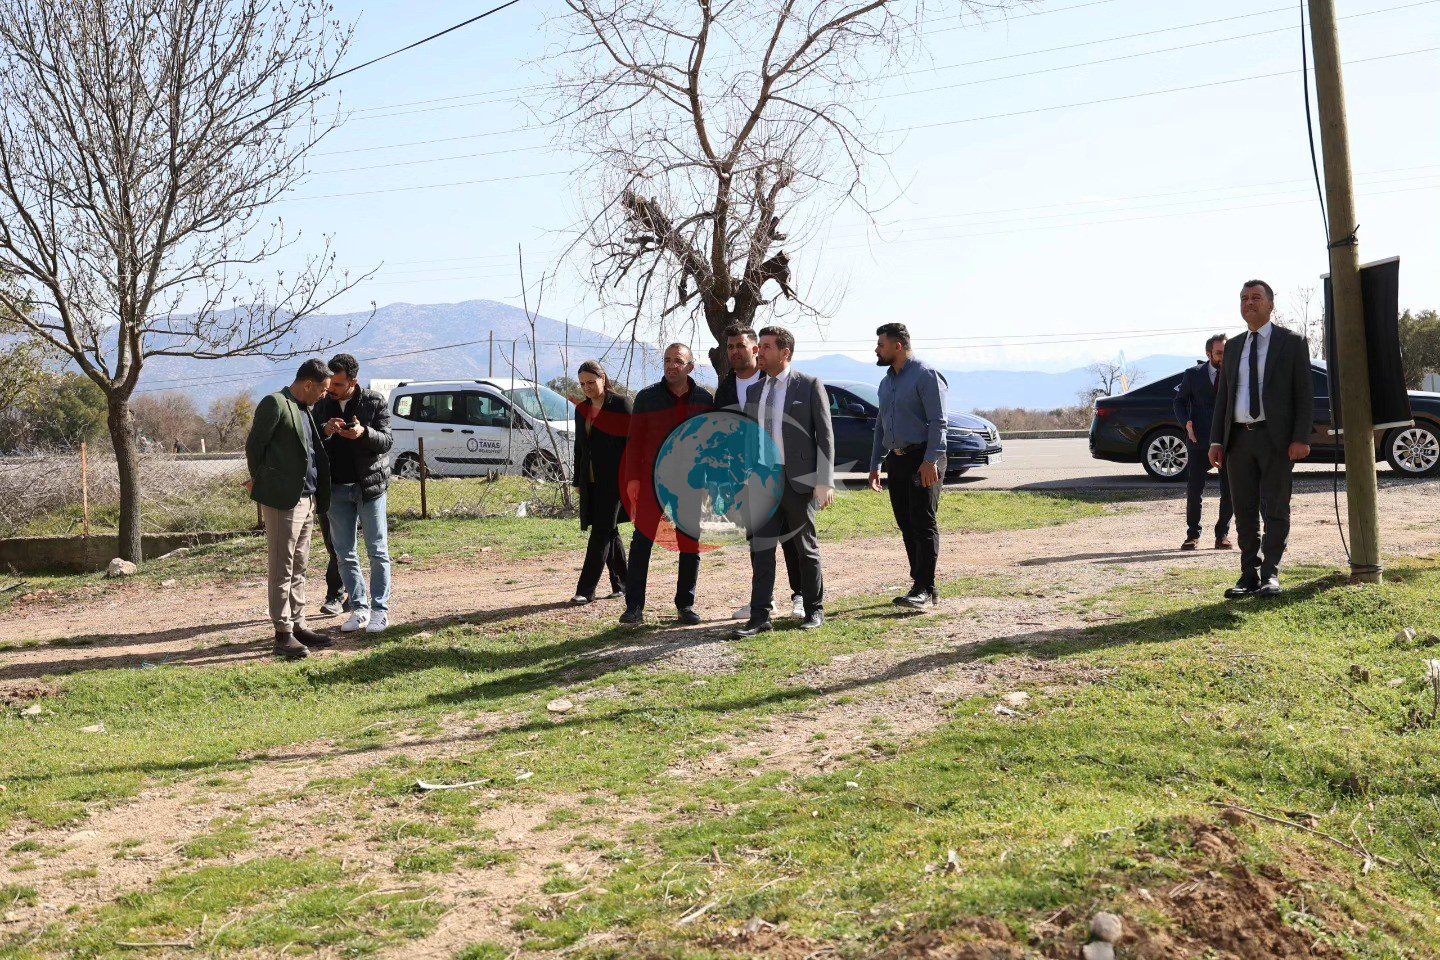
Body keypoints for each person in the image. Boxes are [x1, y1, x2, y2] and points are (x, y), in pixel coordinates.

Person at [1209, 279, 1314, 598]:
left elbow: (1304, 394)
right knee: (1243, 510)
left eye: (1256, 297)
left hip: (1276, 439)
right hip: (1239, 441)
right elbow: (1224, 398)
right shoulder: (1235, 347)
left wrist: (1300, 437)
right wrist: (1217, 440)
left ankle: (1270, 574)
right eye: (1243, 298)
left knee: (1276, 509)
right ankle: (1248, 574)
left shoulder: (1291, 342)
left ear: (1271, 304)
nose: (1249, 303)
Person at [733, 326, 835, 637]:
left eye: (765, 347)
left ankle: (814, 610)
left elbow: (825, 435)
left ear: (784, 353)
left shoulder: (808, 385)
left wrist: (825, 480)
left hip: (799, 481)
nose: (758, 351)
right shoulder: (754, 390)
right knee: (761, 549)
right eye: (759, 346)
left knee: (805, 548)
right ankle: (760, 616)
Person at [713, 323, 807, 621]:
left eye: (740, 345)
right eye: (730, 347)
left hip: (783, 474)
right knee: (758, 541)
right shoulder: (725, 387)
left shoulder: (777, 379)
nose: (734, 352)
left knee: (791, 537)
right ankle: (764, 602)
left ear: (755, 348)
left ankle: (800, 596)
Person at [619, 344, 715, 626]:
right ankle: (634, 607)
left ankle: (685, 605)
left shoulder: (704, 399)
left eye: (678, 361)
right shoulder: (647, 398)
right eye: (667, 360)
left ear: (690, 367)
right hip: (652, 482)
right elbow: (634, 441)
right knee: (642, 544)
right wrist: (633, 479)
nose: (671, 365)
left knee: (690, 544)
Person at [243, 359, 333, 660]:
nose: (324, 395)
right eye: (322, 389)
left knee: (300, 567)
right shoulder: (275, 403)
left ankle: (298, 624)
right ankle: (282, 634)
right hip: (284, 500)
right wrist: (260, 480)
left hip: (307, 499)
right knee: (282, 568)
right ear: (308, 384)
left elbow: (302, 447)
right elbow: (255, 446)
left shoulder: (305, 408)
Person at [868, 322, 948, 609]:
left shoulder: (925, 375)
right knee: (906, 523)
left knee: (922, 522)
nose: (877, 349)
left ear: (897, 346)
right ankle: (921, 584)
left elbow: (939, 421)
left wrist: (930, 461)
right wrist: (876, 463)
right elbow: (880, 426)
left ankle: (925, 588)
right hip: (896, 460)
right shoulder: (886, 382)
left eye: (881, 344)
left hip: (923, 458)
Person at [315, 353, 394, 635]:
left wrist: (363, 433)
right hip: (335, 488)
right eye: (329, 384)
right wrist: (326, 430)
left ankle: (380, 611)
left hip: (369, 488)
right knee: (344, 554)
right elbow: (313, 442)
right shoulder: (321, 403)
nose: (331, 389)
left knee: (377, 550)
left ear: (353, 381)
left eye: (337, 384)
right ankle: (359, 609)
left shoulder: (374, 401)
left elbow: (386, 441)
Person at [571, 359, 631, 604]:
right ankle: (624, 583)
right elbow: (579, 448)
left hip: (616, 480)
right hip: (591, 480)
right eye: (582, 383)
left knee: (600, 532)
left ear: (603, 378)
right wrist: (577, 480)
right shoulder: (581, 409)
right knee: (609, 529)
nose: (587, 387)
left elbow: (634, 444)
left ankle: (585, 590)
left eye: (591, 381)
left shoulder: (621, 405)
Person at [1173, 334, 1234, 551]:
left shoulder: (1235, 373)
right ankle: (1192, 534)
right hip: (1199, 441)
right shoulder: (1192, 375)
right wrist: (1186, 424)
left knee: (1229, 491)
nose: (1223, 357)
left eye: (1226, 352)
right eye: (1219, 353)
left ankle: (1222, 535)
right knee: (1194, 489)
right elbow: (1179, 403)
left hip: (1229, 441)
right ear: (1208, 354)